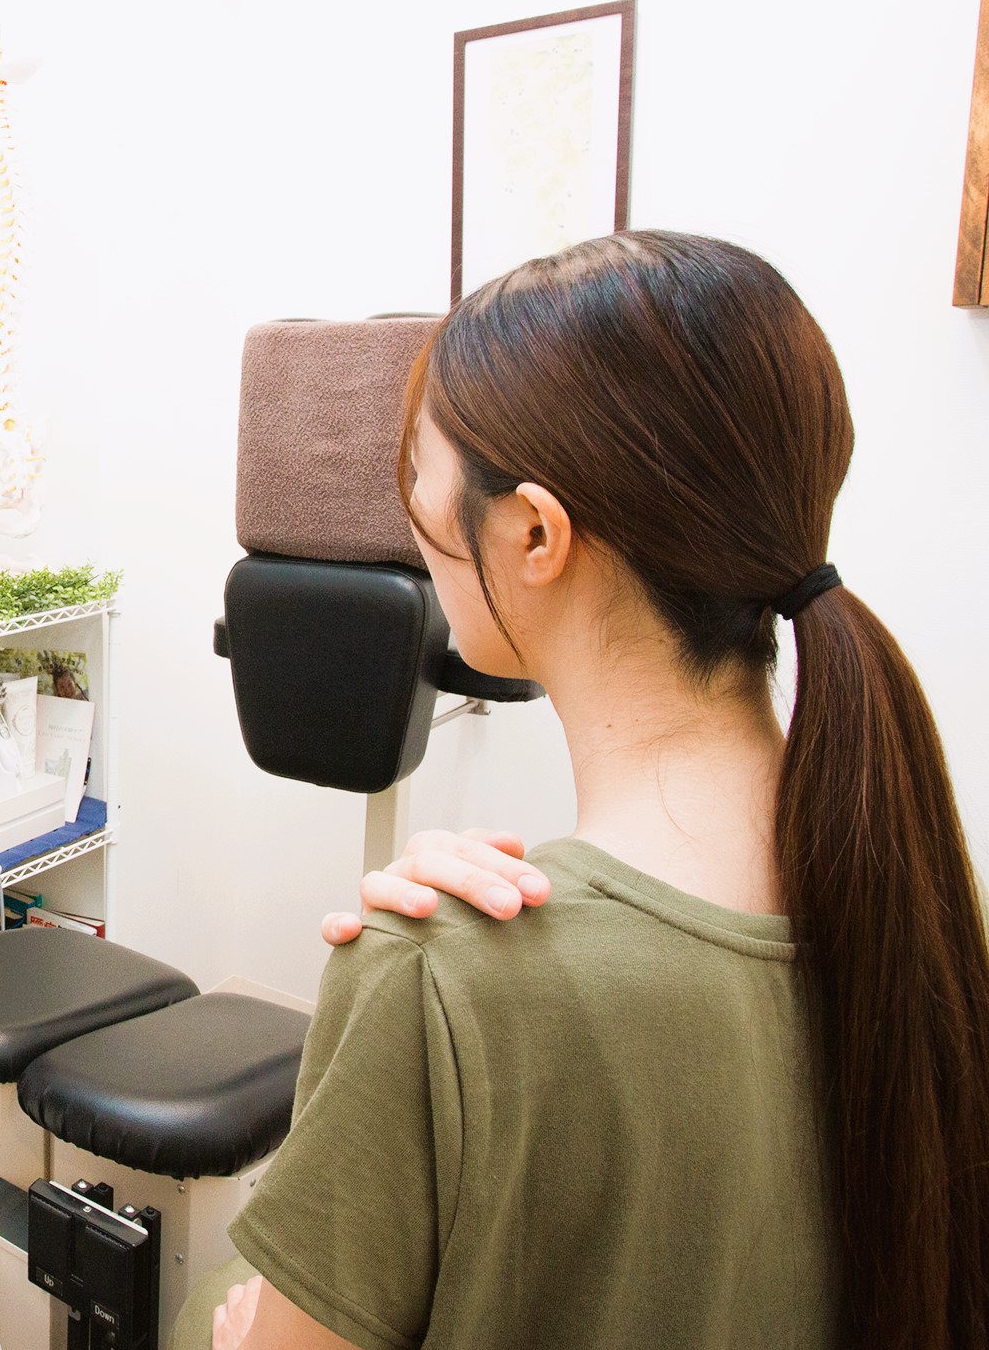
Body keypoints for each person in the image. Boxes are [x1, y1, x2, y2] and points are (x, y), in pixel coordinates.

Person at [186, 232, 989, 1350]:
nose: (411, 517)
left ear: (532, 532)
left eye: (418, 472)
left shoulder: (433, 971)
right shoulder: (925, 912)